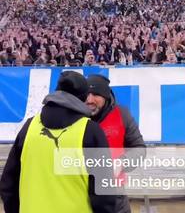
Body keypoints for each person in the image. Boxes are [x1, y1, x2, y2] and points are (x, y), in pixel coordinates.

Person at [0, 71, 116, 213]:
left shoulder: (29, 127)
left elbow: (8, 183)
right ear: (83, 98)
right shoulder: (90, 131)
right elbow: (104, 194)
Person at [86, 74, 146, 213]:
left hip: (115, 195)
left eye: (95, 95)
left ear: (106, 96)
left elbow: (139, 148)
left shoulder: (122, 114)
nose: (89, 100)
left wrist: (122, 162)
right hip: (81, 193)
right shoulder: (76, 116)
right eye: (87, 95)